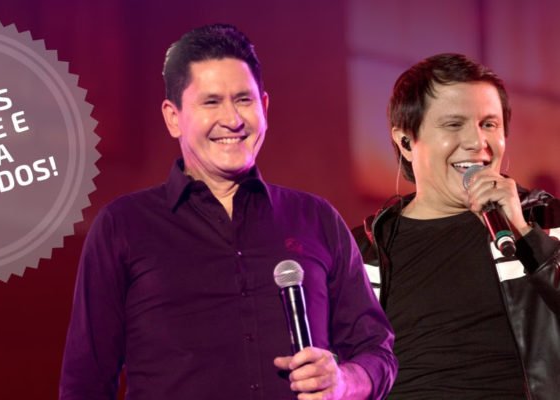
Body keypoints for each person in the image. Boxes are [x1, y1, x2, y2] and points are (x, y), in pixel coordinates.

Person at [59, 24, 396, 399]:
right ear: (173, 117)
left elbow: (377, 351)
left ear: (264, 107)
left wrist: (344, 381)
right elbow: (85, 384)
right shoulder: (123, 226)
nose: (232, 119)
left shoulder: (317, 219)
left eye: (243, 100)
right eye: (211, 102)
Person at [354, 53, 560, 398]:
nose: (477, 142)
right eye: (453, 125)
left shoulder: (548, 222)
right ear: (406, 142)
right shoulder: (361, 253)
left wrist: (526, 234)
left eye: (489, 124)